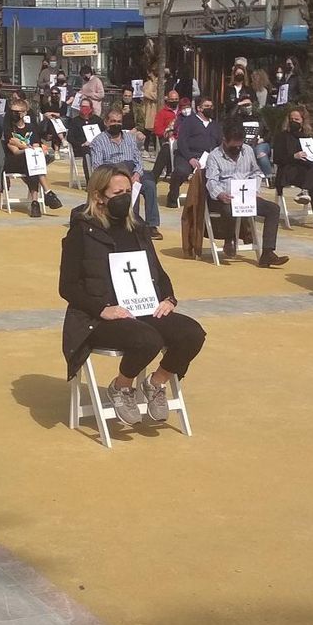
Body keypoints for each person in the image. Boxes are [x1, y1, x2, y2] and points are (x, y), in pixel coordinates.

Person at [60, 164, 206, 424]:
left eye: (128, 191)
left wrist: (168, 298)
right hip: (97, 318)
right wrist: (102, 309)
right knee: (147, 338)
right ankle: (121, 386)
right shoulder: (82, 232)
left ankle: (156, 383)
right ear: (98, 196)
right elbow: (67, 286)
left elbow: (158, 272)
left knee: (192, 333)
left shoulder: (137, 227)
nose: (125, 198)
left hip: (141, 307)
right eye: (118, 193)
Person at [202, 119, 291, 268]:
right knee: (227, 209)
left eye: (240, 145)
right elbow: (211, 181)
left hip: (245, 195)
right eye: (234, 146)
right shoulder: (214, 156)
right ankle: (230, 239)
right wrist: (220, 194)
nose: (237, 149)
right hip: (223, 197)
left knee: (273, 209)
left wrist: (254, 189)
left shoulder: (248, 150)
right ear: (225, 140)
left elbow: (255, 172)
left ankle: (268, 253)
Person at [87, 106, 161, 239]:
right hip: (112, 173)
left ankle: (152, 225)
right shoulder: (98, 141)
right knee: (128, 189)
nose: (116, 124)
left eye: (119, 121)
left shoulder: (129, 138)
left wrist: (137, 174)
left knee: (149, 185)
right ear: (106, 122)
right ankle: (133, 224)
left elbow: (138, 159)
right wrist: (117, 177)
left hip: (132, 171)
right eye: (113, 121)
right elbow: (97, 166)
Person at [272, 105, 313, 230]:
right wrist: (294, 156)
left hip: (304, 172)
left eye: (297, 120)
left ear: (303, 121)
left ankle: (305, 192)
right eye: (292, 119)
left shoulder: (307, 137)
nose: (294, 122)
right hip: (288, 170)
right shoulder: (282, 136)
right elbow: (277, 159)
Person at [1, 99, 63, 217]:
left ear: (24, 113)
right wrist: (26, 148)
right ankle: (47, 193)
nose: (14, 114)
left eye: (17, 112)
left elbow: (35, 145)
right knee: (33, 159)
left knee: (33, 161)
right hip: (13, 161)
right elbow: (14, 150)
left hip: (30, 161)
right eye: (12, 111)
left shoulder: (31, 127)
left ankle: (35, 203)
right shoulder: (9, 128)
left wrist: (26, 147)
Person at [167, 96, 219, 209]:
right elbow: (182, 141)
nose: (210, 108)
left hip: (208, 158)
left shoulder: (215, 125)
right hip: (187, 156)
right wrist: (190, 158)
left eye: (211, 106)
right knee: (181, 171)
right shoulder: (189, 121)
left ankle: (211, 201)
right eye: (207, 106)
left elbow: (219, 143)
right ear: (199, 108)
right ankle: (172, 197)